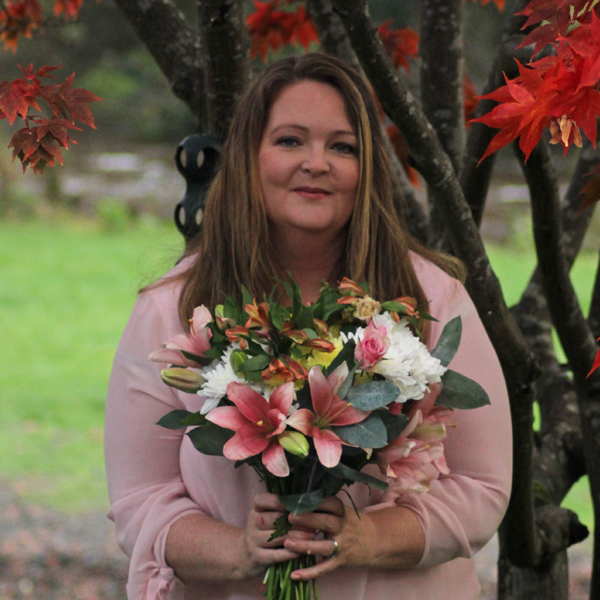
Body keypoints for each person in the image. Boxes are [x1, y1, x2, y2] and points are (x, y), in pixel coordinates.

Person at [105, 53, 512, 600]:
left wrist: (366, 539)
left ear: (368, 168)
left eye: (342, 147)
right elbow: (140, 499)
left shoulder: (433, 298)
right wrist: (241, 550)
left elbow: (482, 486)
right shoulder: (175, 308)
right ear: (250, 157)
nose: (316, 163)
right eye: (290, 140)